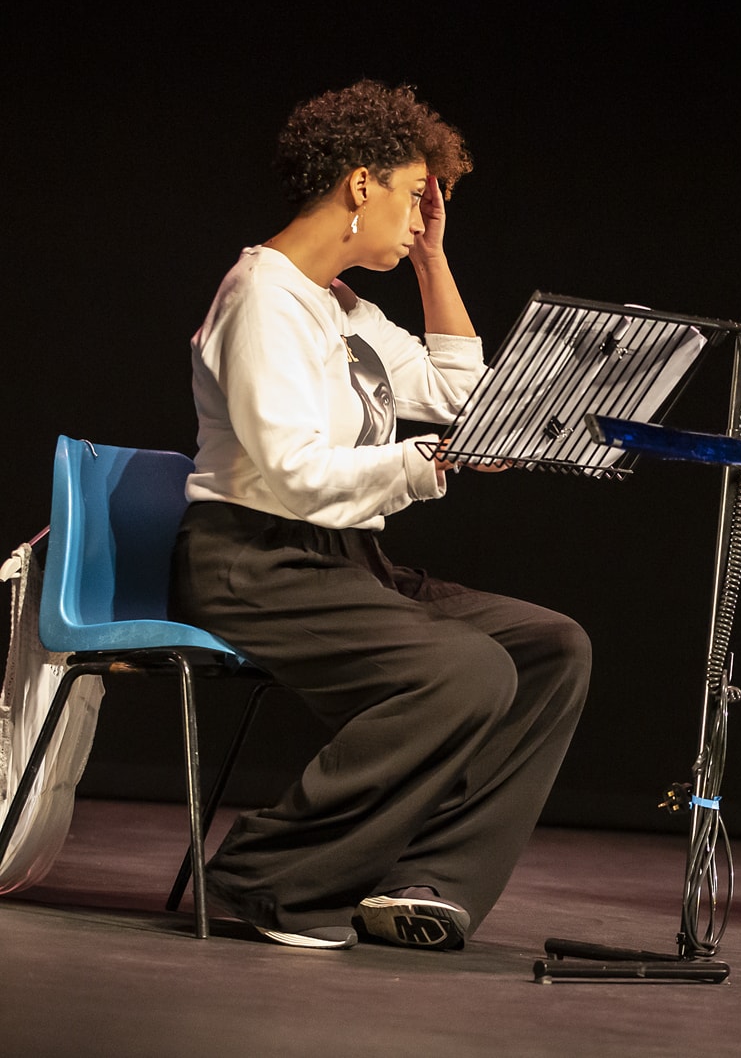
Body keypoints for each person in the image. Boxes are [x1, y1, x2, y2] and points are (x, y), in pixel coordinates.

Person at [168, 80, 590, 951]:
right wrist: (429, 462)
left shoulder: (342, 306)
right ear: (360, 183)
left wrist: (433, 261)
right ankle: (266, 878)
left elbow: (463, 396)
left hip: (341, 557)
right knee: (465, 671)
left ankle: (423, 883)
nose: (418, 216)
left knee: (550, 648)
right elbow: (290, 475)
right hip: (252, 560)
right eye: (412, 196)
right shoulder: (264, 297)